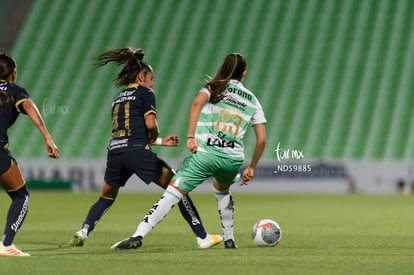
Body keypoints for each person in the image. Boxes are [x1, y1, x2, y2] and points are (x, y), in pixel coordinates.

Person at [70, 47, 222, 249]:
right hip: (136, 152)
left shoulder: (118, 98)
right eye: (151, 78)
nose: (153, 82)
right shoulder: (146, 93)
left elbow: (128, 131)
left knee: (106, 197)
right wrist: (156, 134)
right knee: (178, 186)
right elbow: (150, 125)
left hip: (115, 152)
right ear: (141, 77)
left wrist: (159, 143)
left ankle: (84, 230)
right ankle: (202, 236)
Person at [111, 53, 266, 250]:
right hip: (232, 159)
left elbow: (196, 104)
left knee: (173, 191)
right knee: (222, 190)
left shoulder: (214, 87)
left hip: (205, 155)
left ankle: (138, 234)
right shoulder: (253, 99)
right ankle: (229, 239)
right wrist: (251, 167)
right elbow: (261, 140)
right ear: (244, 73)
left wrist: (191, 136)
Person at [0, 53, 59, 256]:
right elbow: (29, 106)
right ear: (13, 74)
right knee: (21, 196)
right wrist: (47, 137)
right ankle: (6, 245)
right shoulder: (15, 91)